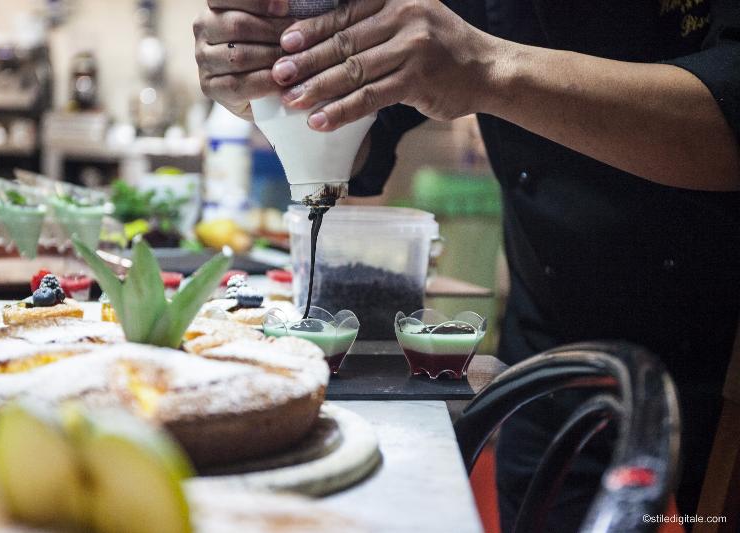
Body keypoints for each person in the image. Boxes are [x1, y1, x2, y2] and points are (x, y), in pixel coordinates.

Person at [194, 1, 740, 530]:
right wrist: (270, 85)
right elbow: (368, 119)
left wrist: (488, 68)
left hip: (715, 339)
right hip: (552, 342)